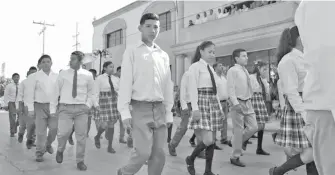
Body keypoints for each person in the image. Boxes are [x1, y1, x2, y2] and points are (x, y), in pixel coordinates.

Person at [117, 13, 173, 175]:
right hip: (139, 108)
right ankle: (125, 172)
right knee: (142, 152)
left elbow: (167, 85)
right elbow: (125, 82)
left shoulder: (163, 55)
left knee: (159, 154)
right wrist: (124, 111)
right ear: (140, 28)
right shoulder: (132, 51)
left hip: (160, 109)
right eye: (148, 26)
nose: (152, 30)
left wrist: (168, 113)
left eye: (156, 27)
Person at [269, 26, 317, 175]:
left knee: (314, 150)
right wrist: (304, 113)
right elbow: (291, 92)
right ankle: (278, 171)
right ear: (298, 38)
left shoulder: (306, 57)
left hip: (312, 104)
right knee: (311, 152)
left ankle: (278, 171)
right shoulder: (287, 61)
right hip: (300, 108)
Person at [295, 2, 335, 174]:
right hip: (323, 104)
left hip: (320, 104)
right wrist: (301, 111)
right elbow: (325, 54)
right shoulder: (315, 5)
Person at [185, 41, 224, 175]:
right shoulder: (195, 67)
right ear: (201, 51)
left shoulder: (211, 68)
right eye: (210, 52)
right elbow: (192, 89)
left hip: (212, 102)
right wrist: (195, 108)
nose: (213, 54)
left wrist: (220, 107)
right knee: (207, 140)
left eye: (214, 52)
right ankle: (190, 158)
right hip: (202, 101)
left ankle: (208, 171)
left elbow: (215, 90)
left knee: (212, 140)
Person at [52, 51, 94, 171]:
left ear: (81, 61)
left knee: (81, 137)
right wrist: (53, 108)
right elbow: (56, 91)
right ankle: (60, 149)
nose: (71, 61)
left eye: (74, 59)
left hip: (82, 109)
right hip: (65, 108)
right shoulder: (63, 74)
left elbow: (92, 92)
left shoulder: (88, 75)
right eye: (70, 58)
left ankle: (80, 161)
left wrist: (88, 105)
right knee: (63, 133)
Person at [227, 48, 258, 167]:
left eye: (246, 55)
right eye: (244, 56)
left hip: (248, 102)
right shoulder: (232, 70)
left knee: (254, 127)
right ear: (237, 58)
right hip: (238, 103)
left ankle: (234, 141)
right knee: (239, 130)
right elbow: (230, 88)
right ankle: (235, 156)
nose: (247, 58)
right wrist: (235, 103)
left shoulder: (245, 70)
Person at [26, 55, 58, 162]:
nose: (46, 63)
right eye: (43, 62)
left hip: (54, 106)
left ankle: (48, 144)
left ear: (51, 63)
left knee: (54, 128)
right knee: (40, 132)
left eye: (48, 61)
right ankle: (39, 152)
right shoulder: (34, 76)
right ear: (39, 64)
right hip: (39, 106)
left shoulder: (57, 76)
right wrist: (30, 108)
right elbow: (29, 93)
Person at [93, 61, 121, 153]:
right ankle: (97, 136)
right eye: (110, 67)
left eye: (113, 67)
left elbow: (120, 91)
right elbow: (95, 92)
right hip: (103, 102)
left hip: (113, 102)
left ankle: (110, 146)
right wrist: (96, 104)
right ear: (105, 68)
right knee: (104, 125)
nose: (112, 68)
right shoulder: (99, 78)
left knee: (112, 124)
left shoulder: (116, 79)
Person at [249, 61, 270, 155]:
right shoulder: (251, 77)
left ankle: (259, 148)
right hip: (254, 100)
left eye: (266, 69)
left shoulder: (262, 79)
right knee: (255, 125)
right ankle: (240, 141)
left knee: (262, 125)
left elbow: (267, 91)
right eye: (264, 69)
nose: (266, 71)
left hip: (261, 100)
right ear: (258, 68)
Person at [17, 66, 38, 148]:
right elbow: (20, 95)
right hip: (25, 107)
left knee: (33, 125)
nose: (33, 74)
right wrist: (20, 107)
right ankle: (21, 134)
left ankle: (31, 141)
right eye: (32, 73)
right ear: (28, 74)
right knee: (23, 125)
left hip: (36, 107)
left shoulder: (39, 83)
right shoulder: (24, 82)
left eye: (35, 73)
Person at [213, 63, 229, 146]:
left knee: (224, 121)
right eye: (219, 65)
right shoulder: (214, 77)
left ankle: (224, 138)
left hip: (225, 102)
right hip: (217, 102)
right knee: (215, 121)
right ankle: (213, 140)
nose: (222, 67)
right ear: (215, 68)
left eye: (222, 65)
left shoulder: (223, 78)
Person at [4, 73, 20, 137]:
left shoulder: (21, 85)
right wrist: (5, 104)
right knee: (12, 119)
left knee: (21, 118)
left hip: (19, 103)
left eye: (18, 77)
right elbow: (6, 95)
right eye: (15, 77)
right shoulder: (9, 86)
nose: (17, 78)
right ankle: (12, 132)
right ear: (12, 78)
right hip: (11, 103)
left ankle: (15, 127)